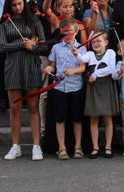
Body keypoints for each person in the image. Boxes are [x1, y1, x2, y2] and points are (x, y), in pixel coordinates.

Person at [0, 0, 48, 161]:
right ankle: (15, 146)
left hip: (31, 67)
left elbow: (44, 46)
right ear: (8, 6)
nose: (17, 7)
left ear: (24, 3)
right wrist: (23, 43)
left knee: (33, 107)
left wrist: (33, 47)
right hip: (12, 68)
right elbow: (3, 47)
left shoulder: (34, 20)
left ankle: (36, 146)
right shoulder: (4, 24)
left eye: (20, 3)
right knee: (15, 109)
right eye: (14, 5)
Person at [44, 19, 87, 160]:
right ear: (61, 33)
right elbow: (53, 65)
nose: (69, 34)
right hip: (60, 88)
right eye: (66, 32)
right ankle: (61, 148)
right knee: (60, 119)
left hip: (76, 87)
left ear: (76, 32)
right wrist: (49, 68)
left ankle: (78, 146)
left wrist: (74, 70)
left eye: (71, 31)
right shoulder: (56, 48)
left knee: (77, 118)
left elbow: (83, 67)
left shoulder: (81, 47)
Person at [73, 32, 119, 158]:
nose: (96, 43)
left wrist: (95, 74)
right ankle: (95, 147)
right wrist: (76, 54)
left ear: (106, 42)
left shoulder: (111, 53)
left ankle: (108, 147)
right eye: (93, 42)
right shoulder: (90, 54)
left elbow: (110, 68)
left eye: (99, 41)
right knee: (94, 119)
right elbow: (82, 59)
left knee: (108, 118)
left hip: (106, 85)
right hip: (94, 87)